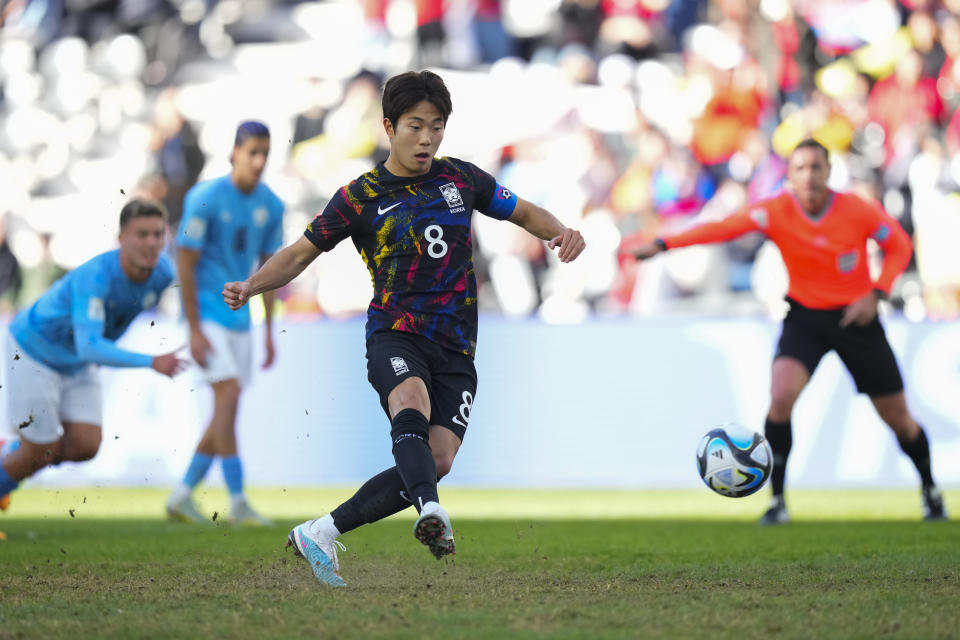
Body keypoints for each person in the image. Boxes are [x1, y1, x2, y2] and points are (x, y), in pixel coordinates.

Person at [222, 70, 586, 586]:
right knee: (409, 401)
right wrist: (252, 286)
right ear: (389, 127)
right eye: (416, 126)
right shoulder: (360, 196)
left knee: (437, 459)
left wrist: (561, 233)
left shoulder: (463, 179)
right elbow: (301, 253)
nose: (427, 138)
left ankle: (321, 531)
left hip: (458, 347)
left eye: (437, 126)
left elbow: (521, 211)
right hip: (396, 332)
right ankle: (431, 513)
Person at [629, 138, 947, 524]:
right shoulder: (774, 211)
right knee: (780, 397)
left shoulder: (857, 210)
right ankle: (777, 501)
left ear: (829, 172)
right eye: (800, 168)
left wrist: (876, 293)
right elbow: (721, 229)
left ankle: (930, 490)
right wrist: (664, 243)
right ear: (789, 175)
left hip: (857, 319)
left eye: (816, 167)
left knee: (898, 418)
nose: (809, 176)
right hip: (805, 318)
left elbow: (898, 245)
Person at [0, 200, 185, 509]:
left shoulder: (163, 272)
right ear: (121, 238)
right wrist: (151, 361)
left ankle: (10, 455)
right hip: (34, 349)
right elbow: (91, 346)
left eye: (157, 234)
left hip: (75, 360)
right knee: (39, 451)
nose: (152, 243)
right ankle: (13, 464)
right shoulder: (96, 276)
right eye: (142, 234)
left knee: (86, 445)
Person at [165, 121, 284, 526]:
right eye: (252, 151)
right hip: (207, 316)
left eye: (265, 153)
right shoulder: (206, 196)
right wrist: (194, 328)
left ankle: (182, 494)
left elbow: (270, 271)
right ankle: (237, 501)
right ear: (234, 152)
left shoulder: (272, 204)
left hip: (241, 321)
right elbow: (185, 261)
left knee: (226, 411)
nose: (259, 160)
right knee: (228, 399)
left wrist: (269, 331)